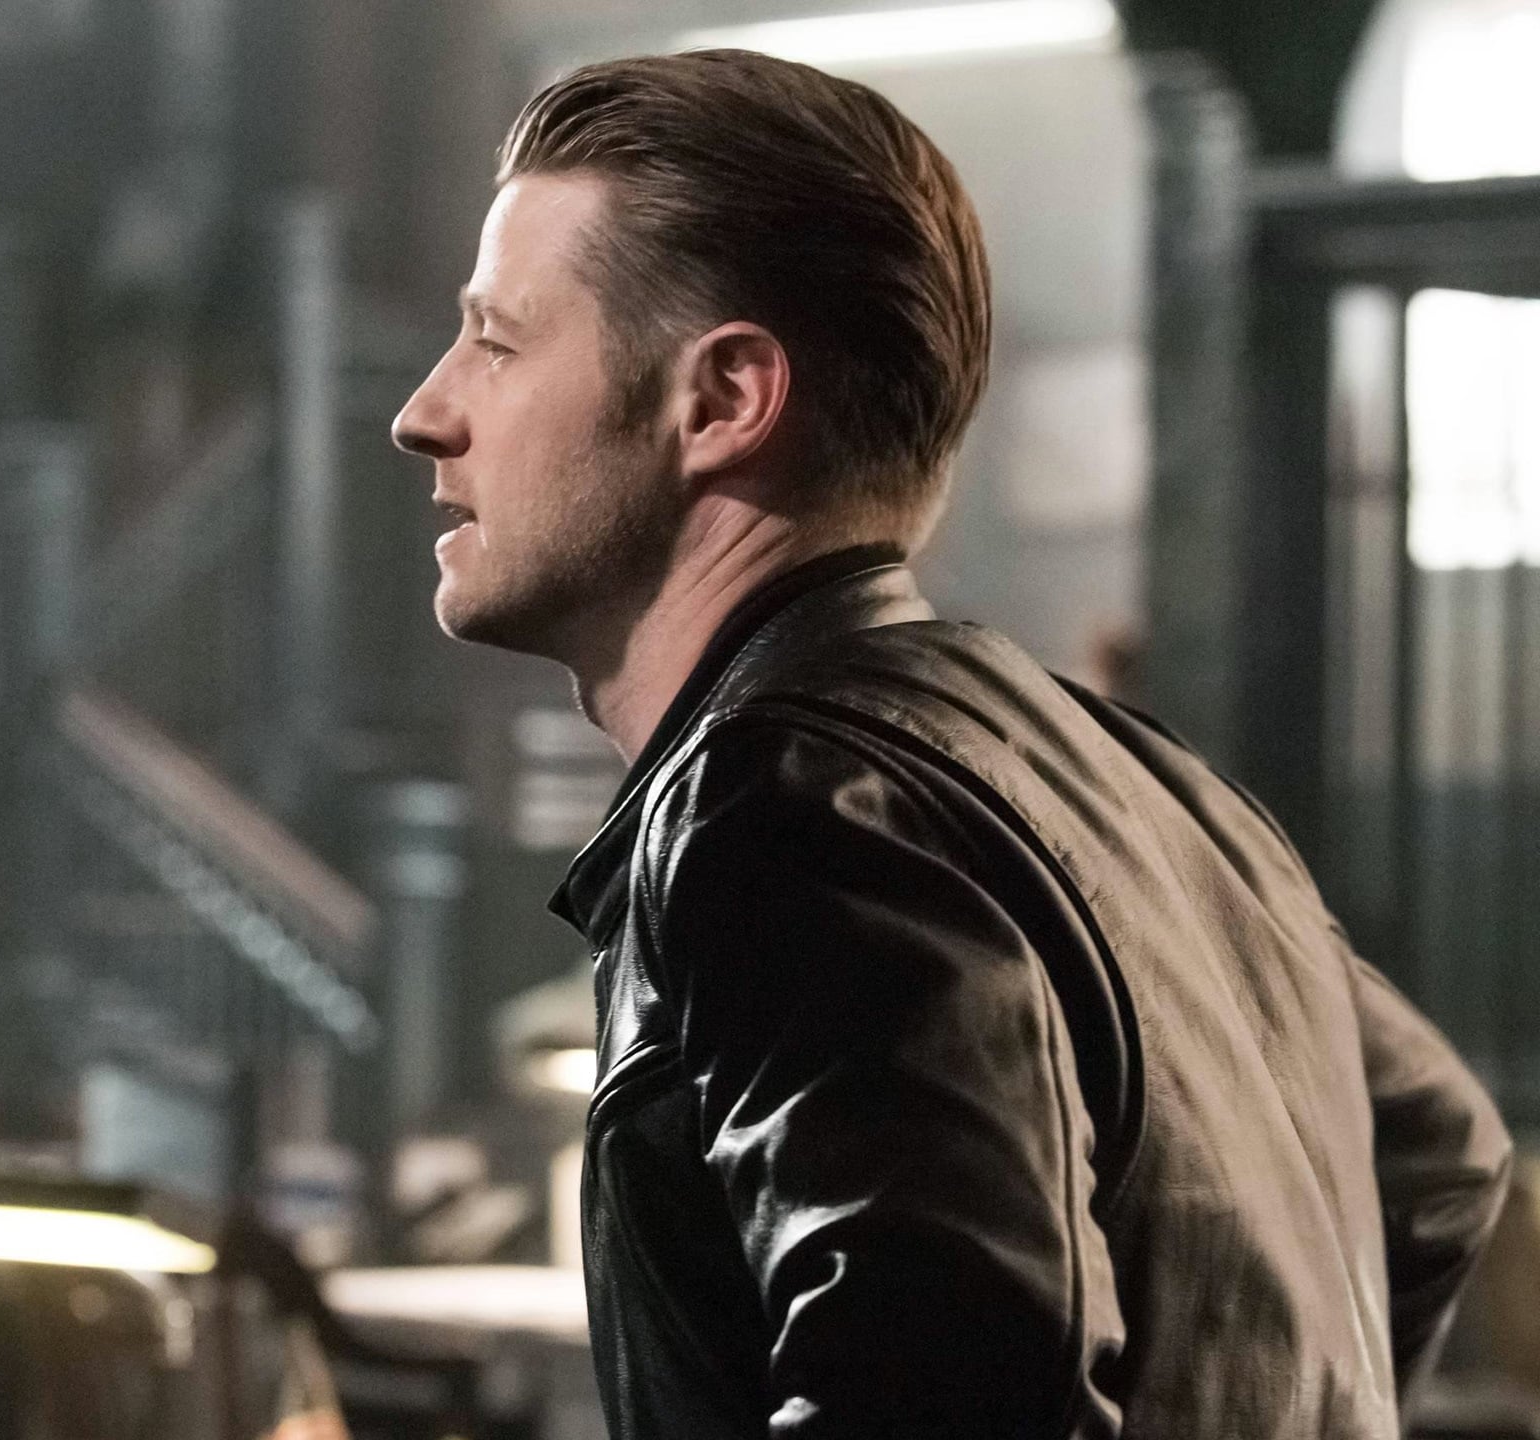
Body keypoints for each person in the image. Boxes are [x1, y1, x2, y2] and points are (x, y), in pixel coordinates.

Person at [391, 49, 1510, 1439]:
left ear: (724, 400)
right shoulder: (1153, 783)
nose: (426, 412)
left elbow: (950, 1397)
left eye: (497, 342)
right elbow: (1439, 1159)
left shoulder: (787, 807)